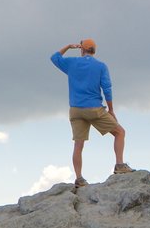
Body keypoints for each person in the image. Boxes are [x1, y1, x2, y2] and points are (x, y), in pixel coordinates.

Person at [51, 38, 133, 187]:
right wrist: (111, 110)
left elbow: (54, 57)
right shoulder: (100, 66)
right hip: (94, 108)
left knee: (78, 145)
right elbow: (107, 89)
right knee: (120, 132)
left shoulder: (72, 63)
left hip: (75, 109)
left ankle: (79, 179)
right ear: (94, 51)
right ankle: (120, 165)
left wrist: (68, 47)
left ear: (82, 49)